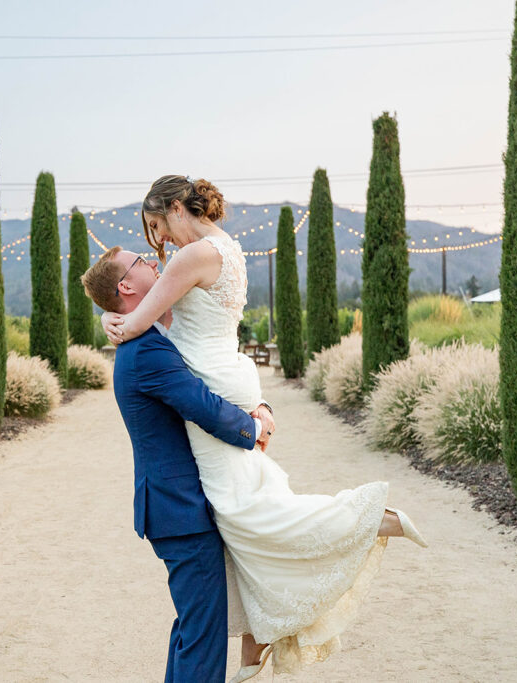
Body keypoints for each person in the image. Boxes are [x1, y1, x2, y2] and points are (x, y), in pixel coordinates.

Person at [98, 175, 427, 681]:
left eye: (157, 229)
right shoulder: (224, 251)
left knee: (245, 516)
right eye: (146, 253)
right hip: (225, 383)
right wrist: (256, 414)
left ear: (174, 209)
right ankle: (257, 641)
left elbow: (142, 326)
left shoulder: (185, 268)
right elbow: (148, 328)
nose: (157, 247)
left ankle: (364, 521)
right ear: (126, 286)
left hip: (214, 393)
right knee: (245, 517)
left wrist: (115, 321)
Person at [81, 247, 277, 683]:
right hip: (180, 511)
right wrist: (253, 428)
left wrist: (256, 403)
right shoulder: (146, 350)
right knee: (204, 639)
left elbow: (211, 372)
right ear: (126, 286)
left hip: (175, 508)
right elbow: (200, 403)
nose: (155, 264)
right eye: (143, 263)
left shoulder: (147, 336)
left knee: (194, 629)